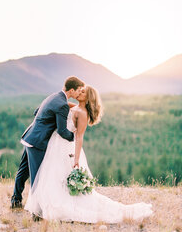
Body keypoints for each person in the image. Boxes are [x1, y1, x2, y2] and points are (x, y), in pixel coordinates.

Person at [25, 85, 153, 223]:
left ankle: (56, 209)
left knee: (59, 177)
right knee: (50, 177)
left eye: (83, 91)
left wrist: (76, 159)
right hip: (54, 145)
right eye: (80, 89)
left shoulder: (83, 113)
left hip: (66, 147)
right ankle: (43, 209)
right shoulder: (73, 106)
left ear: (88, 97)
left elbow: (79, 137)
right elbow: (58, 102)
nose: (80, 91)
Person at [11, 76, 85, 209]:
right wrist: (74, 137)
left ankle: (15, 201)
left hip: (30, 137)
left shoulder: (54, 96)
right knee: (38, 176)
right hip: (38, 142)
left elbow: (36, 112)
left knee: (23, 172)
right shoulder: (62, 104)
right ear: (72, 90)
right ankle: (36, 210)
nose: (79, 93)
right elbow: (62, 131)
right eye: (78, 90)